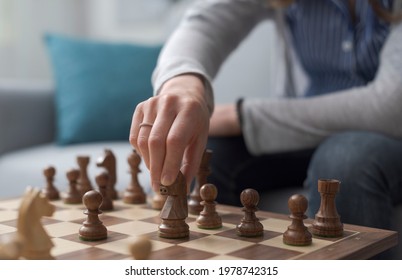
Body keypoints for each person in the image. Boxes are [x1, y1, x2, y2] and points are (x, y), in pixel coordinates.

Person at [129, 0, 402, 250]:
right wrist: (185, 85)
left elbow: (392, 106)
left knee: (346, 162)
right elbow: (206, 23)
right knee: (208, 156)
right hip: (301, 132)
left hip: (387, 137)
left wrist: (242, 117)